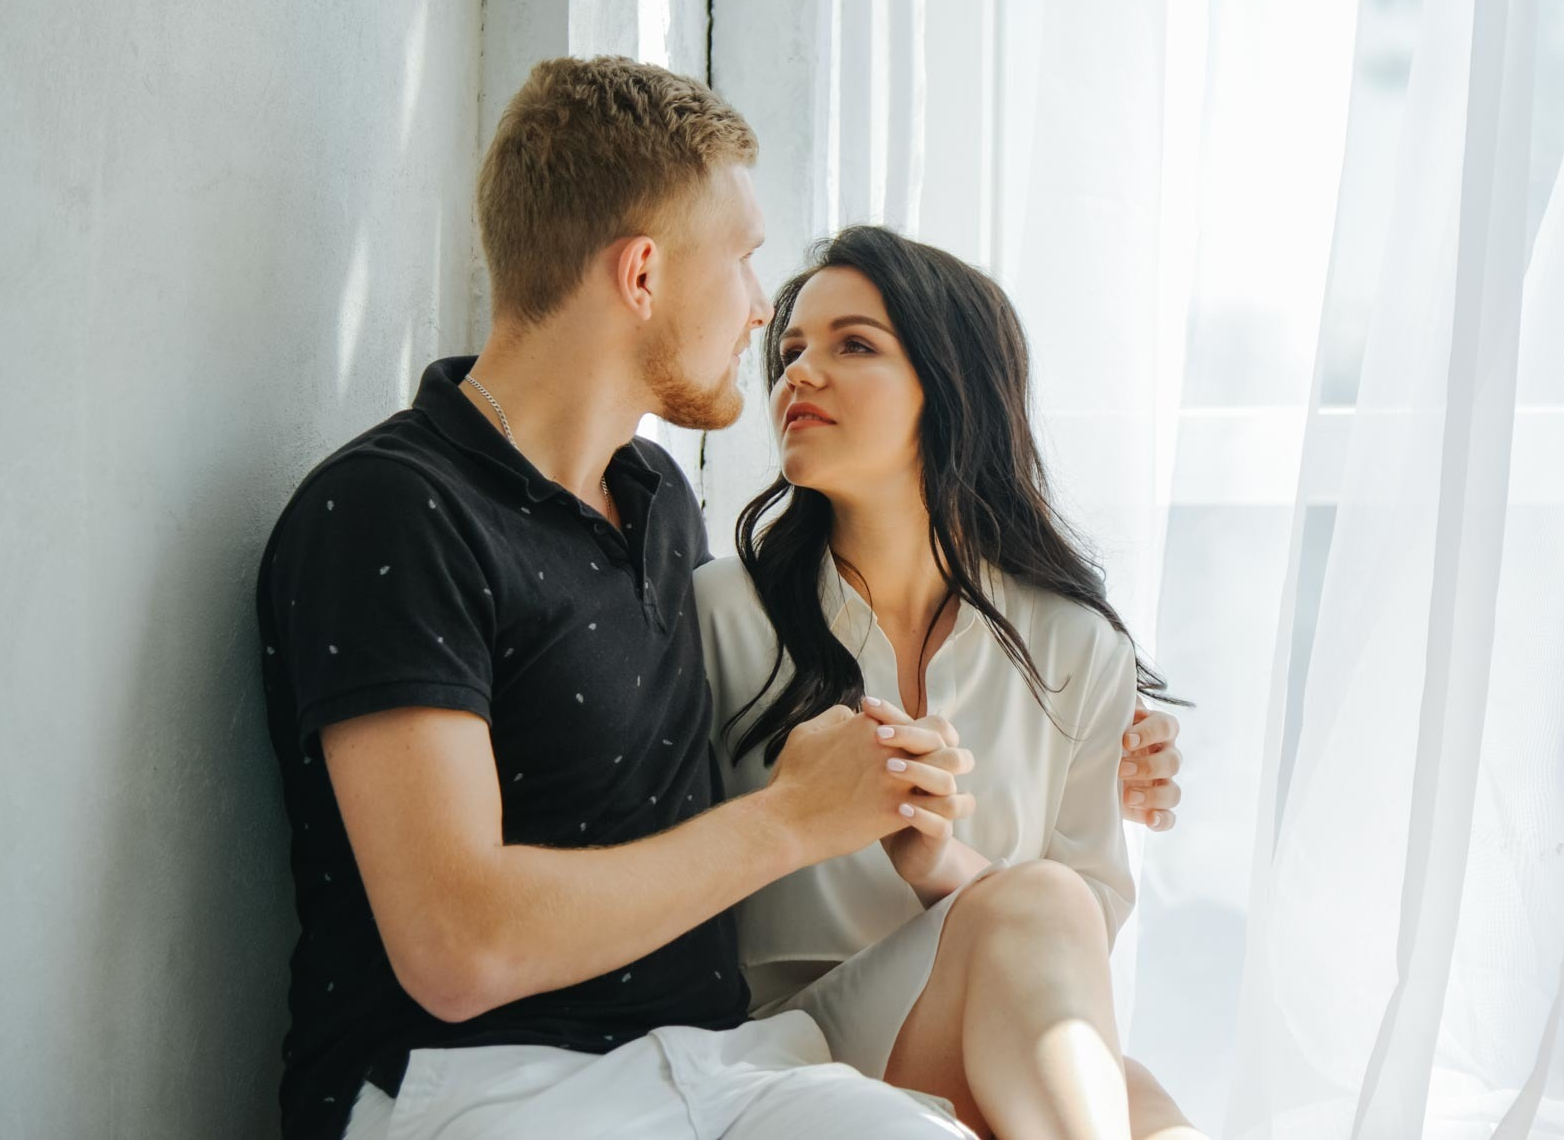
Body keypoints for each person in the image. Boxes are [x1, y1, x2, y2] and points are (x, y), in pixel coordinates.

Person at [255, 56, 1182, 1140]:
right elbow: (459, 947)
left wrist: (1091, 752)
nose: (759, 317)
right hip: (483, 1087)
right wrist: (793, 816)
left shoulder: (650, 511)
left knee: (1119, 1078)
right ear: (642, 274)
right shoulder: (391, 510)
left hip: (715, 1062)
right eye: (744, 265)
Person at [696, 226, 1201, 1140]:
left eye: (853, 344)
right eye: (791, 350)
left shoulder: (1076, 647)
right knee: (1121, 1078)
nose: (799, 374)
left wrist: (941, 868)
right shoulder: (720, 615)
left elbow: (1072, 950)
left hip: (984, 1032)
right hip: (792, 1044)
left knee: (1155, 1113)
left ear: (950, 385)